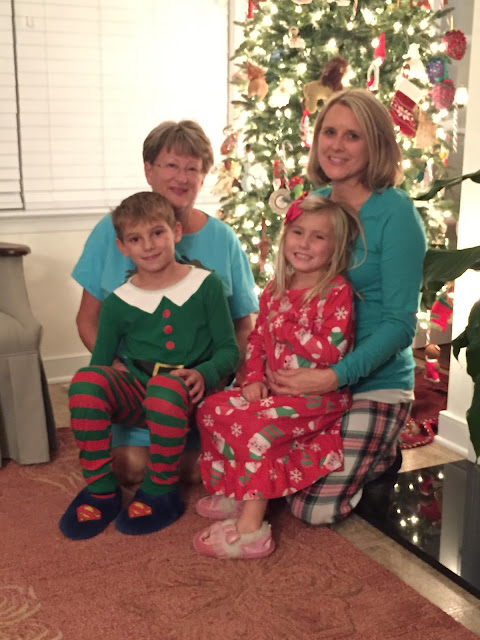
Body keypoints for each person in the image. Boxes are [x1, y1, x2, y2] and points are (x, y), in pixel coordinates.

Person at [71, 120, 258, 497]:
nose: (182, 177)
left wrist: (215, 374)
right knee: (127, 466)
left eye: (193, 168)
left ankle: (187, 461)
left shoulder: (223, 239)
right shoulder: (111, 232)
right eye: (171, 165)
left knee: (187, 463)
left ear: (203, 177)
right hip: (138, 387)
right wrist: (114, 366)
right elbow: (88, 318)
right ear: (149, 170)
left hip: (201, 387)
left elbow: (244, 325)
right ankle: (184, 462)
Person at [265, 88, 426, 525]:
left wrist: (334, 377)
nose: (337, 145)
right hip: (313, 374)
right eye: (330, 132)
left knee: (310, 507)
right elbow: (288, 292)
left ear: (376, 145)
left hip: (373, 382)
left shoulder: (396, 214)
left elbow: (400, 325)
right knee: (261, 470)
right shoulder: (315, 203)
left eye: (353, 136)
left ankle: (382, 456)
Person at [59, 192, 240, 540]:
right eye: (135, 239)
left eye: (157, 233)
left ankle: (160, 490)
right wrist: (108, 379)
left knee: (166, 388)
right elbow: (100, 365)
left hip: (193, 396)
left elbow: (229, 350)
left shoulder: (206, 285)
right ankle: (101, 490)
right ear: (122, 247)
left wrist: (204, 373)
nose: (148, 245)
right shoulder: (118, 301)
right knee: (85, 381)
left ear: (176, 232)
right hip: (143, 396)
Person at [192, 194, 362, 559]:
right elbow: (256, 339)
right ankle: (236, 491)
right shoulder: (274, 290)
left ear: (335, 247)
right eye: (297, 232)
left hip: (317, 399)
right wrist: (253, 377)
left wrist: (287, 328)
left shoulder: (336, 292)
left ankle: (251, 529)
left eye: (318, 236)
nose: (304, 243)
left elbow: (333, 352)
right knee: (211, 409)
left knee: (254, 431)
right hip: (273, 391)